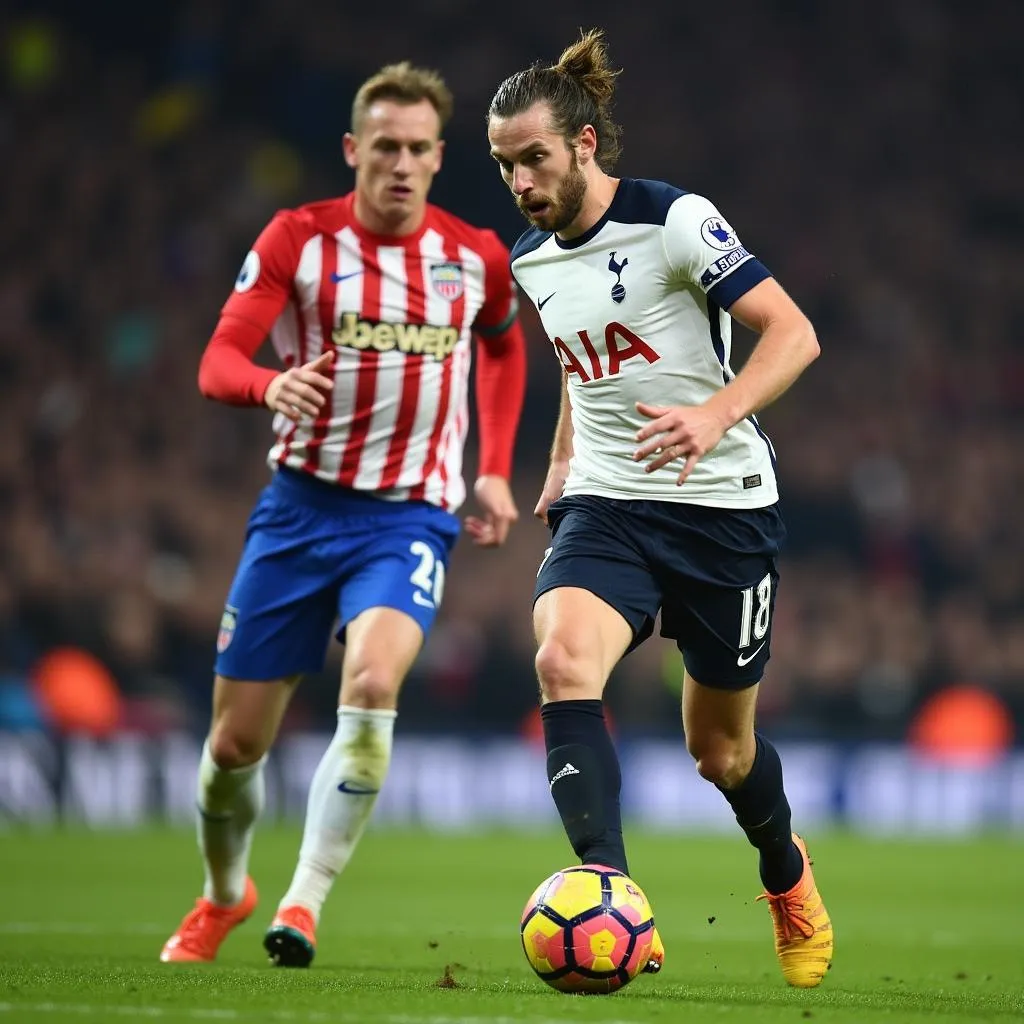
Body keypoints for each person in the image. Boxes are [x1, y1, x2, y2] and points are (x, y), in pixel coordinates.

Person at [486, 30, 833, 988]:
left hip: (723, 512)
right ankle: (611, 889)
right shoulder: (531, 261)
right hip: (610, 502)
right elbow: (577, 367)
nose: (519, 181)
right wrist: (561, 462)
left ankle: (786, 871)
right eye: (505, 165)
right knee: (561, 658)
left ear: (586, 145)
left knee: (720, 752)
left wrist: (713, 414)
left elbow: (794, 335)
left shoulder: (674, 220)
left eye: (535, 159)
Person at [160, 61, 526, 968]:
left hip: (406, 519)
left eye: (417, 150)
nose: (401, 165)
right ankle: (224, 894)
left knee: (370, 686)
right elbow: (217, 362)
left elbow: (505, 349)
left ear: (440, 158)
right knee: (233, 746)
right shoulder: (299, 240)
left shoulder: (472, 255)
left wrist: (492, 470)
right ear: (353, 150)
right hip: (298, 511)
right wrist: (267, 384)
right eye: (385, 148)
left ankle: (304, 903)